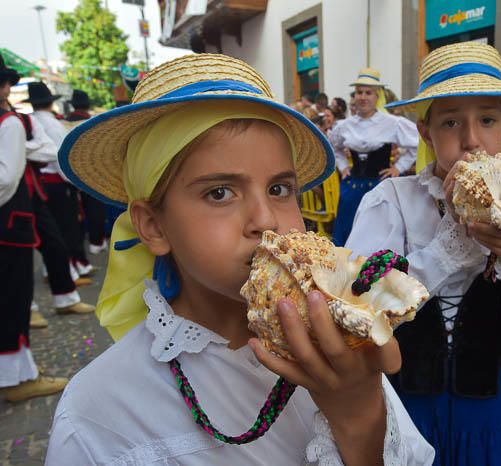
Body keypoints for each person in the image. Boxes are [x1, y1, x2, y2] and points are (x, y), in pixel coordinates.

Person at [45, 54, 434, 465]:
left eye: (280, 189)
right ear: (153, 227)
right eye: (219, 193)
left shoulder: (337, 344)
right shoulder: (100, 413)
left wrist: (359, 413)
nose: (265, 220)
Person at [346, 42, 501, 466]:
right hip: (408, 412)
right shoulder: (393, 201)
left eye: (487, 120)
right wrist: (451, 243)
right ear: (426, 132)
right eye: (451, 121)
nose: (472, 140)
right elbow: (359, 314)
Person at [0, 56, 68, 401]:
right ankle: (15, 379)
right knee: (12, 296)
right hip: (9, 224)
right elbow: (6, 179)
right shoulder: (10, 122)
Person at [329, 68, 418, 246]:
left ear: (377, 96)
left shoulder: (393, 123)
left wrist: (398, 168)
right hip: (353, 187)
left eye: (368, 93)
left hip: (380, 186)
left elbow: (417, 144)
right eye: (359, 92)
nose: (362, 97)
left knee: (379, 234)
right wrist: (343, 167)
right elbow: (334, 146)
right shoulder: (344, 125)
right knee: (348, 231)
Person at [25, 82, 94, 277]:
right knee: (67, 228)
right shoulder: (52, 124)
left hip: (40, 183)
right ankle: (72, 269)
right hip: (58, 183)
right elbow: (61, 156)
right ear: (49, 102)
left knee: (54, 230)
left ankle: (63, 269)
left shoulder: (30, 120)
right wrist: (75, 182)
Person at [65, 89, 108, 255]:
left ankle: (78, 243)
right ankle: (96, 242)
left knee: (74, 209)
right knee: (95, 207)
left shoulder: (62, 122)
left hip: (66, 172)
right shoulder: (92, 122)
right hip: (91, 171)